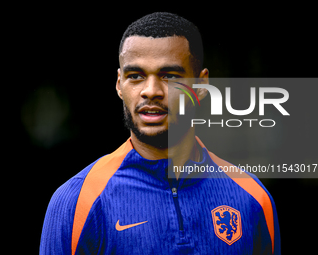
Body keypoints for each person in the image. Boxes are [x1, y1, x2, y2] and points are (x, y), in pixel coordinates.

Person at [40, 12, 280, 254]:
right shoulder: (78, 201)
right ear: (119, 84)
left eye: (169, 76)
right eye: (136, 76)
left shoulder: (251, 197)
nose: (151, 91)